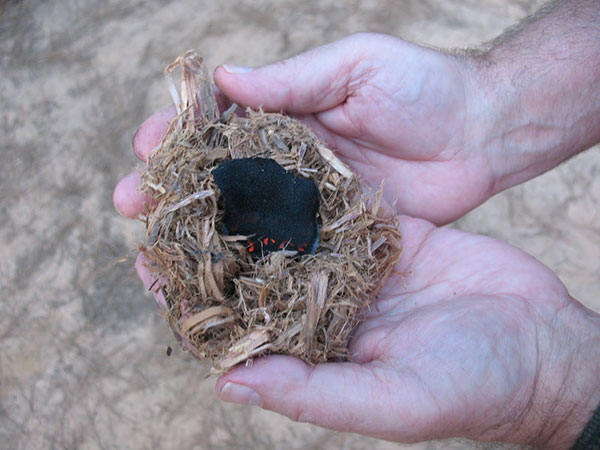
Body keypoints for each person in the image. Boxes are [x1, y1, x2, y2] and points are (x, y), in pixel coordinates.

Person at [113, 0, 600, 448]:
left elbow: (301, 197)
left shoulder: (313, 212)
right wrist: (482, 105)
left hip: (303, 225)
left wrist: (559, 385)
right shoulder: (231, 202)